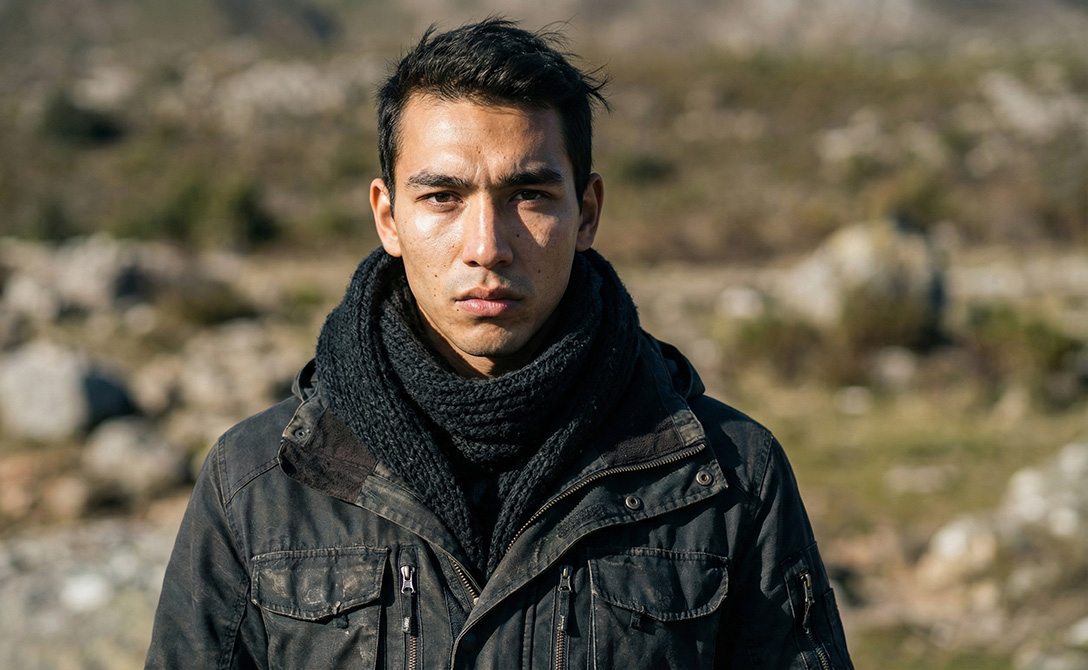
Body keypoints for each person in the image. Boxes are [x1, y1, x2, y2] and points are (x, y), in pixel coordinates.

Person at [146, 18, 853, 670]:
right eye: (442, 198)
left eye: (529, 196)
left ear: (587, 212)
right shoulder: (260, 482)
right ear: (388, 217)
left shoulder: (729, 478)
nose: (487, 247)